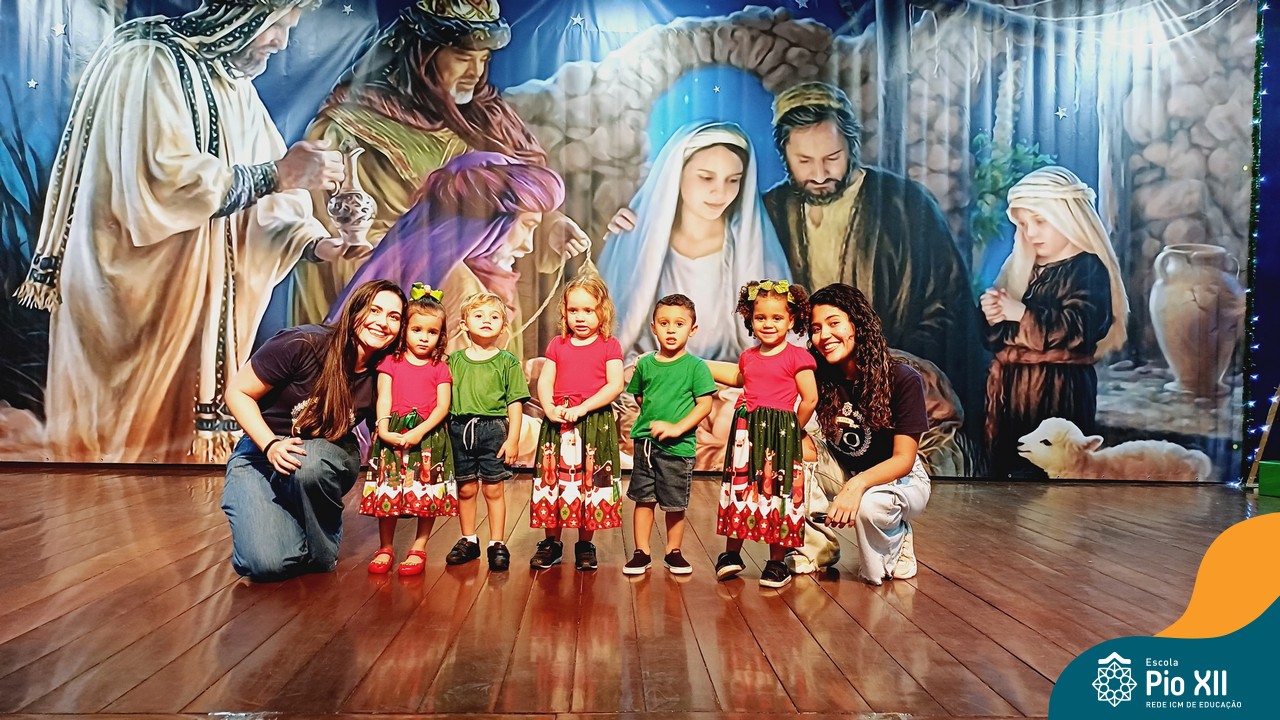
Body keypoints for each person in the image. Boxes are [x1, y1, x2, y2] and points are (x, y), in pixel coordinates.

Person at [15, 0, 370, 463]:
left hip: (196, 304)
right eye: (275, 25)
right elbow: (161, 183)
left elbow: (268, 203)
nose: (281, 42)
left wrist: (319, 244)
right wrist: (279, 174)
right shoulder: (148, 60)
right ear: (238, 17)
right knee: (119, 448)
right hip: (133, 295)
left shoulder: (232, 84)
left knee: (174, 452)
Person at [296, 0, 589, 326]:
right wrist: (448, 274)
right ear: (423, 55)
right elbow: (340, 247)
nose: (476, 73)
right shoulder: (349, 130)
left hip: (482, 306)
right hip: (407, 310)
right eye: (463, 58)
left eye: (484, 59)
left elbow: (511, 206)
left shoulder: (490, 119)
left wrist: (548, 225)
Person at [761, 82, 982, 443]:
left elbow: (948, 305)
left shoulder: (906, 205)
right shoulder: (770, 211)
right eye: (804, 161)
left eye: (832, 158)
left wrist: (881, 366)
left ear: (852, 146)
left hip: (891, 383)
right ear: (784, 154)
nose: (820, 173)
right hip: (801, 384)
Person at [221, 279, 406, 582]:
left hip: (326, 453)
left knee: (309, 464)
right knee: (264, 564)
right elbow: (238, 392)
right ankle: (290, 524)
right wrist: (270, 445)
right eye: (374, 310)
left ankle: (321, 550)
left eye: (393, 316)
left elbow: (382, 431)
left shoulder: (383, 374)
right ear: (354, 310)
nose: (382, 322)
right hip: (262, 452)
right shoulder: (303, 343)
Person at [329, 152, 565, 359]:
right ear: (492, 225)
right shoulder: (463, 286)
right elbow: (458, 380)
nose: (527, 246)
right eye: (527, 226)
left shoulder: (409, 254)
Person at [599, 121, 792, 361]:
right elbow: (613, 315)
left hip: (726, 372)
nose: (720, 192)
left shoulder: (750, 247)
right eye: (706, 178)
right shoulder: (639, 236)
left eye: (733, 180)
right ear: (677, 174)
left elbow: (780, 331)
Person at [980, 166, 1128, 477]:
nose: (1031, 233)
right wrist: (993, 316)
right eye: (1023, 224)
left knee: (1054, 470)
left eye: (1040, 221)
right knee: (1013, 466)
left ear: (1067, 217)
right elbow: (996, 337)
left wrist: (1020, 314)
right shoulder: (1022, 268)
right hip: (1014, 389)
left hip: (1061, 388)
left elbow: (1083, 327)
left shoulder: (1088, 268)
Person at [797, 283, 931, 585]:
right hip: (847, 470)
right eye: (816, 329)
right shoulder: (819, 376)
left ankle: (899, 537)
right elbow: (759, 371)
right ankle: (819, 549)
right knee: (789, 447)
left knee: (870, 517)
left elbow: (903, 460)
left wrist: (856, 486)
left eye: (834, 323)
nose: (824, 336)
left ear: (858, 324)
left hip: (901, 479)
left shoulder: (902, 378)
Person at [707, 280, 818, 589]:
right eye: (761, 318)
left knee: (778, 492)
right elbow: (740, 378)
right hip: (746, 433)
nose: (768, 324)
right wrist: (695, 364)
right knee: (740, 488)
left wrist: (793, 430)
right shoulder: (749, 356)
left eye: (777, 317)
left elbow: (810, 399)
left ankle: (776, 562)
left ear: (791, 320)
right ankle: (731, 555)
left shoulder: (797, 357)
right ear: (750, 319)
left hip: (780, 435)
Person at [530, 276, 626, 571]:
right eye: (573, 310)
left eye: (588, 310)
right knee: (554, 481)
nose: (580, 317)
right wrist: (549, 407)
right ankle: (551, 542)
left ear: (602, 312)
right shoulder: (558, 344)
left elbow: (615, 385)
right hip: (559, 422)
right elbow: (546, 380)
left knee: (589, 482)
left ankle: (585, 543)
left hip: (593, 423)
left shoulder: (609, 345)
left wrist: (583, 407)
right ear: (565, 312)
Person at [362, 283, 456, 576]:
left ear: (441, 335)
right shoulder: (390, 362)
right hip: (393, 434)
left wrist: (420, 432)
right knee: (389, 492)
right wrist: (383, 428)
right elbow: (384, 397)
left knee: (426, 494)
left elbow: (442, 407)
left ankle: (419, 547)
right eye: (417, 330)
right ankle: (385, 547)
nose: (424, 337)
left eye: (432, 332)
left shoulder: (441, 367)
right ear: (404, 329)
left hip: (427, 437)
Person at [622, 294, 717, 576]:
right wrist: (654, 420)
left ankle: (673, 551)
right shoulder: (645, 364)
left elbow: (705, 405)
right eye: (664, 323)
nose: (671, 330)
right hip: (646, 444)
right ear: (653, 327)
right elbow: (640, 396)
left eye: (679, 324)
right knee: (644, 499)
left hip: (678, 447)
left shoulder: (696, 367)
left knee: (674, 503)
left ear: (693, 329)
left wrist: (676, 427)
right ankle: (641, 552)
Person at [445, 292, 530, 571]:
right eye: (479, 315)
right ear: (464, 324)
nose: (486, 320)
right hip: (459, 429)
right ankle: (469, 540)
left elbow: (515, 403)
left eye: (494, 317)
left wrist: (513, 438)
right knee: (466, 488)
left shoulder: (507, 362)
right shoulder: (454, 361)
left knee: (494, 489)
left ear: (503, 326)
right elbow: (443, 401)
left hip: (493, 430)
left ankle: (497, 542)